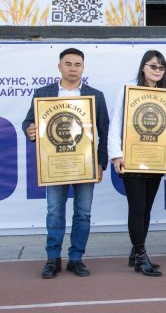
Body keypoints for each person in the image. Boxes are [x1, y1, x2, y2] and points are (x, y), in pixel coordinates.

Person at [22, 48, 109, 279]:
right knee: (54, 212)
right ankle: (53, 259)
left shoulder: (96, 96)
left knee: (83, 213)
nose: (72, 68)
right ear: (59, 66)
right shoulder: (43, 93)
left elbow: (104, 131)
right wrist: (30, 131)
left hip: (86, 164)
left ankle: (76, 258)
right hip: (55, 163)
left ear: (83, 67)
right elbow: (28, 122)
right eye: (68, 64)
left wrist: (101, 162)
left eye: (77, 64)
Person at [107, 50, 166, 277]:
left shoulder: (165, 94)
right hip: (131, 158)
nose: (157, 70)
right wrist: (116, 155)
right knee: (137, 208)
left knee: (147, 209)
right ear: (143, 67)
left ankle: (135, 253)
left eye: (161, 67)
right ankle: (141, 256)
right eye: (153, 66)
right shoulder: (128, 89)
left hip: (155, 160)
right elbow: (116, 123)